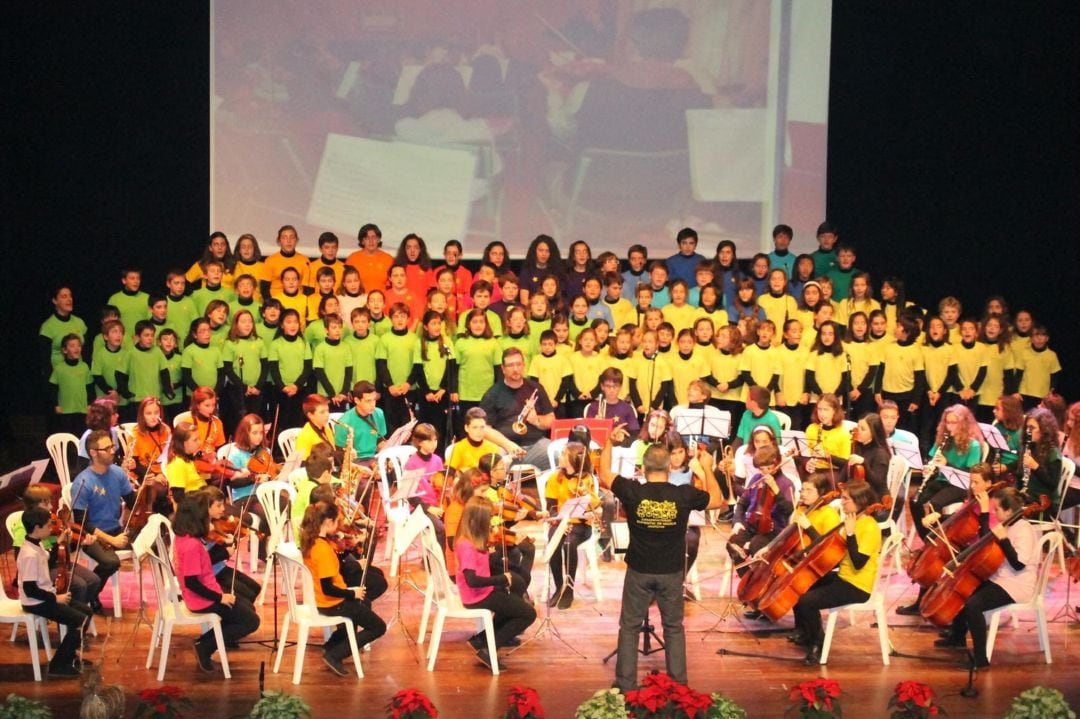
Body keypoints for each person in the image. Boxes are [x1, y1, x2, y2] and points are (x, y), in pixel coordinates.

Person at [598, 421, 723, 692]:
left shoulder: (633, 491)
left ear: (643, 468)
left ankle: (626, 686)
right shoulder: (683, 494)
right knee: (673, 628)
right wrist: (708, 469)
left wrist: (609, 442)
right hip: (671, 572)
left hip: (639, 571)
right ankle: (679, 687)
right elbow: (717, 500)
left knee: (629, 628)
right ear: (668, 467)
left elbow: (604, 474)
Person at [933, 487, 1038, 668]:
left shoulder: (1024, 530)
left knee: (974, 604)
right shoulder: (1007, 524)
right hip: (1001, 578)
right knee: (965, 589)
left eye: (997, 509)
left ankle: (981, 659)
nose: (994, 513)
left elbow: (1018, 564)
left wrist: (1004, 540)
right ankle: (957, 637)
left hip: (1016, 585)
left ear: (1010, 511)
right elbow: (985, 543)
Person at [792, 481, 882, 664]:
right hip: (843, 577)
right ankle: (807, 633)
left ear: (860, 500)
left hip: (857, 586)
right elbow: (830, 548)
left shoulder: (869, 527)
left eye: (845, 499)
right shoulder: (853, 520)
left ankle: (818, 643)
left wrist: (850, 535)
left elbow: (858, 563)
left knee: (806, 601)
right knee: (800, 583)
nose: (842, 502)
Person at [172, 493, 260, 671]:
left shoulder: (187, 538)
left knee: (248, 609)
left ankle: (214, 639)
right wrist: (220, 597)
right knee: (251, 621)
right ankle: (205, 646)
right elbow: (192, 583)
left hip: (208, 591)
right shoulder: (192, 546)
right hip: (201, 598)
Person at [300, 501, 386, 676]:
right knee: (378, 627)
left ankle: (332, 645)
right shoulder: (322, 549)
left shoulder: (313, 542)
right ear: (328, 522)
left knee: (363, 604)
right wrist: (351, 592)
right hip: (331, 602)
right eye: (336, 521)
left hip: (322, 599)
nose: (339, 525)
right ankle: (335, 654)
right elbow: (328, 588)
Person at [454, 496, 537, 668]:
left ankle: (482, 639)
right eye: (489, 518)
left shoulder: (473, 539)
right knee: (528, 614)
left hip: (483, 591)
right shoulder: (467, 545)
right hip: (477, 595)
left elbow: (484, 565)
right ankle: (488, 650)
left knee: (517, 589)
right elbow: (472, 580)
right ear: (479, 521)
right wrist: (501, 579)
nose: (492, 522)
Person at [18, 507, 93, 677]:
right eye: (48, 525)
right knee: (80, 620)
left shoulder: (36, 545)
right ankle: (58, 665)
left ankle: (69, 655)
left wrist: (59, 542)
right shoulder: (29, 554)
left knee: (86, 612)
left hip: (46, 596)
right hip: (37, 602)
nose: (51, 528)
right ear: (37, 528)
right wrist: (55, 598)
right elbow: (30, 590)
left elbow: (47, 560)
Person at [70, 429, 137, 613]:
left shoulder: (117, 472)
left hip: (116, 528)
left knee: (150, 544)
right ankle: (89, 594)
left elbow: (132, 500)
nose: (112, 451)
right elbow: (82, 523)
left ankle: (89, 595)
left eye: (112, 446)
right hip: (92, 535)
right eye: (107, 448)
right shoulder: (83, 482)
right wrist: (111, 539)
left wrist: (145, 487)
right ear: (93, 453)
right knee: (110, 562)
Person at [12, 486, 101, 609]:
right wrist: (58, 544)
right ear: (34, 507)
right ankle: (70, 617)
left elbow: (62, 551)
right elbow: (24, 562)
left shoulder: (49, 523)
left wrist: (78, 541)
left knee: (93, 580)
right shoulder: (25, 529)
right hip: (42, 569)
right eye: (46, 504)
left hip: (59, 563)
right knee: (79, 585)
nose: (51, 507)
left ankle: (77, 610)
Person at [543, 441, 602, 609]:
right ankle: (558, 586)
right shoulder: (555, 478)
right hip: (560, 521)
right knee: (554, 542)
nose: (560, 457)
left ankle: (569, 589)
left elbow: (595, 506)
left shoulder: (587, 478)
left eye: (563, 454)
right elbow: (551, 507)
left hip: (582, 524)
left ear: (574, 459)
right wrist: (560, 521)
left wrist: (588, 494)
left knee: (569, 543)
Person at [727, 445, 796, 581]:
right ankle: (747, 579)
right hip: (752, 524)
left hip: (773, 529)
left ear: (777, 463)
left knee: (756, 545)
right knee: (733, 543)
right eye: (761, 469)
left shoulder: (785, 483)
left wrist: (776, 490)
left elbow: (789, 510)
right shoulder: (756, 479)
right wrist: (737, 522)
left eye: (769, 468)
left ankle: (761, 582)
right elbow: (742, 504)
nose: (765, 473)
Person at [479, 348, 554, 469]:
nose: (515, 369)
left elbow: (551, 419)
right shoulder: (492, 393)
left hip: (536, 445)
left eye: (519, 364)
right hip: (505, 448)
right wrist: (508, 445)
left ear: (524, 365)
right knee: (495, 463)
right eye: (510, 365)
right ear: (503, 369)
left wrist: (536, 421)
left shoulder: (536, 388)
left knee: (558, 454)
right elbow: (485, 429)